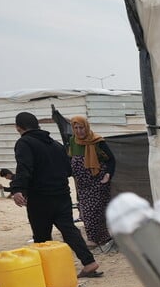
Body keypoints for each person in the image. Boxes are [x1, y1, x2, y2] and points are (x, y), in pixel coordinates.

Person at [9, 112, 101, 278]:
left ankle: (47, 273)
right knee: (69, 230)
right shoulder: (56, 145)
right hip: (62, 194)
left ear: (18, 128)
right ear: (38, 125)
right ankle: (89, 262)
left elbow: (24, 167)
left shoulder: (24, 143)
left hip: (40, 197)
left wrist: (17, 189)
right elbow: (67, 170)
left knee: (42, 236)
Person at [67, 115, 116, 250]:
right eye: (76, 128)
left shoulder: (97, 141)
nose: (79, 131)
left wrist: (107, 175)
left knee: (95, 210)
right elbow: (70, 158)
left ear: (86, 127)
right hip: (82, 184)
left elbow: (111, 160)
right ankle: (102, 238)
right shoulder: (72, 141)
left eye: (81, 127)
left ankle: (93, 239)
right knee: (85, 210)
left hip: (97, 181)